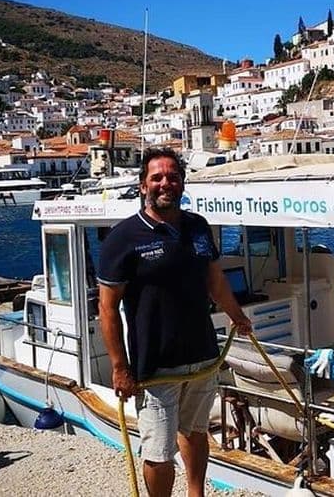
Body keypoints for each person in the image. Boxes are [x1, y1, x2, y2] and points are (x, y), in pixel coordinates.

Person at [97, 147, 252, 497]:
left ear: (181, 183)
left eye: (173, 176)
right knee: (158, 451)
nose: (165, 183)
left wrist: (237, 316)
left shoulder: (198, 227)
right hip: (156, 367)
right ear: (142, 186)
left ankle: (196, 494)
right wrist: (120, 368)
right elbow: (107, 310)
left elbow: (214, 280)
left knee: (196, 432)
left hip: (202, 356)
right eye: (157, 177)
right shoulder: (122, 239)